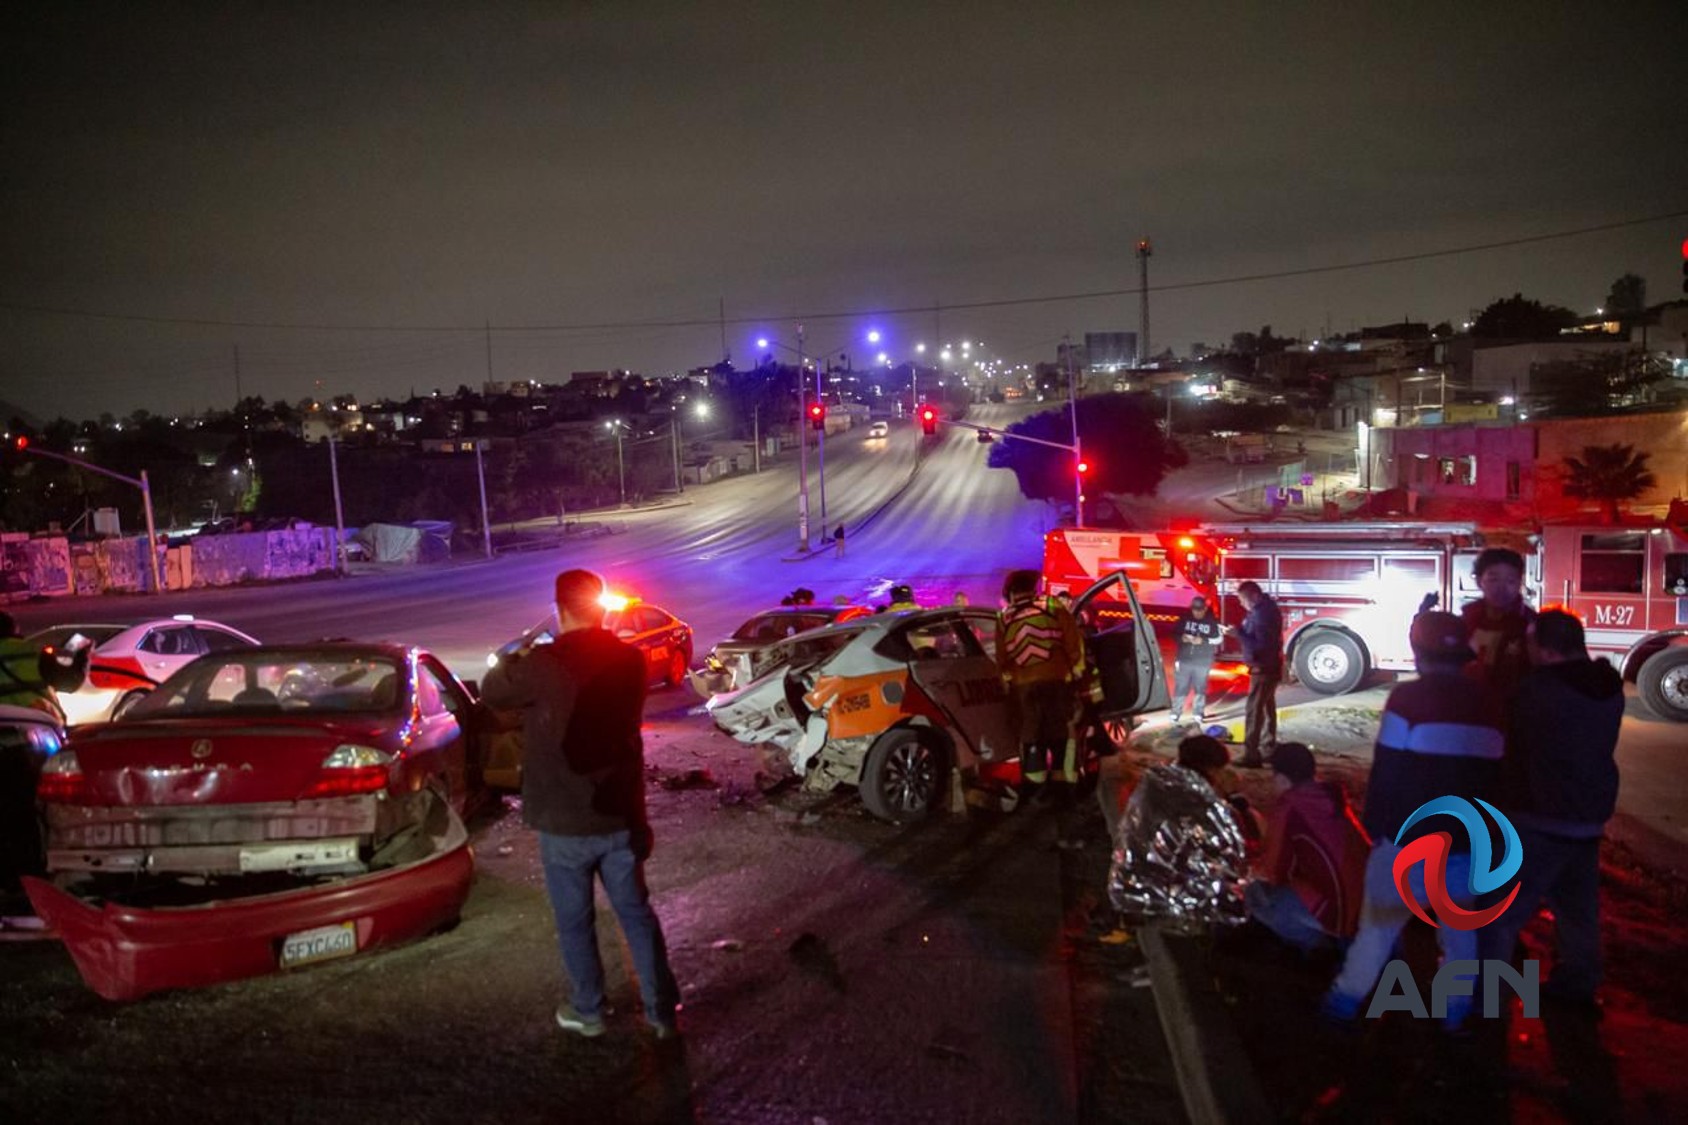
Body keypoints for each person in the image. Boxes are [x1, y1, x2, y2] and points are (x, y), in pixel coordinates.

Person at [480, 568, 681, 1040]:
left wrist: (518, 655)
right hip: (618, 812)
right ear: (601, 608)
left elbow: (492, 692)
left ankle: (589, 1010)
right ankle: (661, 1012)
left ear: (559, 608)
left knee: (574, 920)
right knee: (636, 913)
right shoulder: (629, 661)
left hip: (563, 819)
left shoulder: (544, 663)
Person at [1323, 612, 1505, 1034]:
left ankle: (1343, 1004)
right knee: (1460, 937)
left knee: (1378, 931)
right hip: (1464, 844)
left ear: (1418, 653)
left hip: (1408, 842)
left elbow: (1388, 773)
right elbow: (1496, 778)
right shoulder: (1490, 703)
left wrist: (1378, 832)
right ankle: (1453, 1014)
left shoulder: (1407, 701)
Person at [1480, 610, 1622, 1011]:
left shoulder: (1537, 692)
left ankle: (1489, 995)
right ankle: (1578, 985)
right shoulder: (1607, 687)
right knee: (1578, 910)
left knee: (1500, 912)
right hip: (1588, 817)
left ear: (1542, 648)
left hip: (1538, 816)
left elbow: (1509, 741)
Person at [1244, 742, 1370, 953]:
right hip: (1368, 901)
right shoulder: (1331, 798)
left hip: (1340, 910)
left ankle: (1313, 949)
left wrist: (1251, 867)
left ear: (1282, 779)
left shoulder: (1291, 807)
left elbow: (1273, 872)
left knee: (1257, 896)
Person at [997, 569, 1086, 847]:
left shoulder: (1004, 617)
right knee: (1065, 760)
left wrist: (1012, 686)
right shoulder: (1051, 606)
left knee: (1032, 756)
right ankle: (1068, 835)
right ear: (1032, 588)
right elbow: (1075, 644)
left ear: (1010, 593)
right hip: (1057, 689)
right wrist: (1076, 676)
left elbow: (1003, 660)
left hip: (1026, 695)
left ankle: (1027, 833)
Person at [1460, 546, 1536, 712]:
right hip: (1468, 708)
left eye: (1511, 581)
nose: (1502, 588)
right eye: (1493, 579)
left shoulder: (1531, 624)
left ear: (1520, 583)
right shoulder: (1466, 621)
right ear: (1479, 581)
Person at [1232, 581, 1283, 768]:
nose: (1240, 603)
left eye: (1242, 598)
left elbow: (1261, 646)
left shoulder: (1262, 614)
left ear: (1254, 595)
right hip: (1270, 667)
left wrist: (1238, 634)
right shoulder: (1264, 610)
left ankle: (1251, 754)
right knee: (1267, 708)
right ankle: (1269, 747)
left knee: (1254, 710)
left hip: (1263, 669)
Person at [0, 612, 87, 720]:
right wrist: (82, 657)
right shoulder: (36, 651)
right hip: (41, 722)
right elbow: (69, 684)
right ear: (14, 629)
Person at [1170, 595, 1223, 728]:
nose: (1197, 612)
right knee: (1181, 686)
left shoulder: (1212, 621)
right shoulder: (1184, 619)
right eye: (1194, 610)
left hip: (1202, 661)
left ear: (1205, 609)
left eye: (1200, 610)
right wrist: (1182, 638)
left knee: (1200, 687)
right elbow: (1174, 634)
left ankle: (1198, 713)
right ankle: (1176, 712)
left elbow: (1218, 639)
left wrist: (1203, 641)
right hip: (1184, 659)